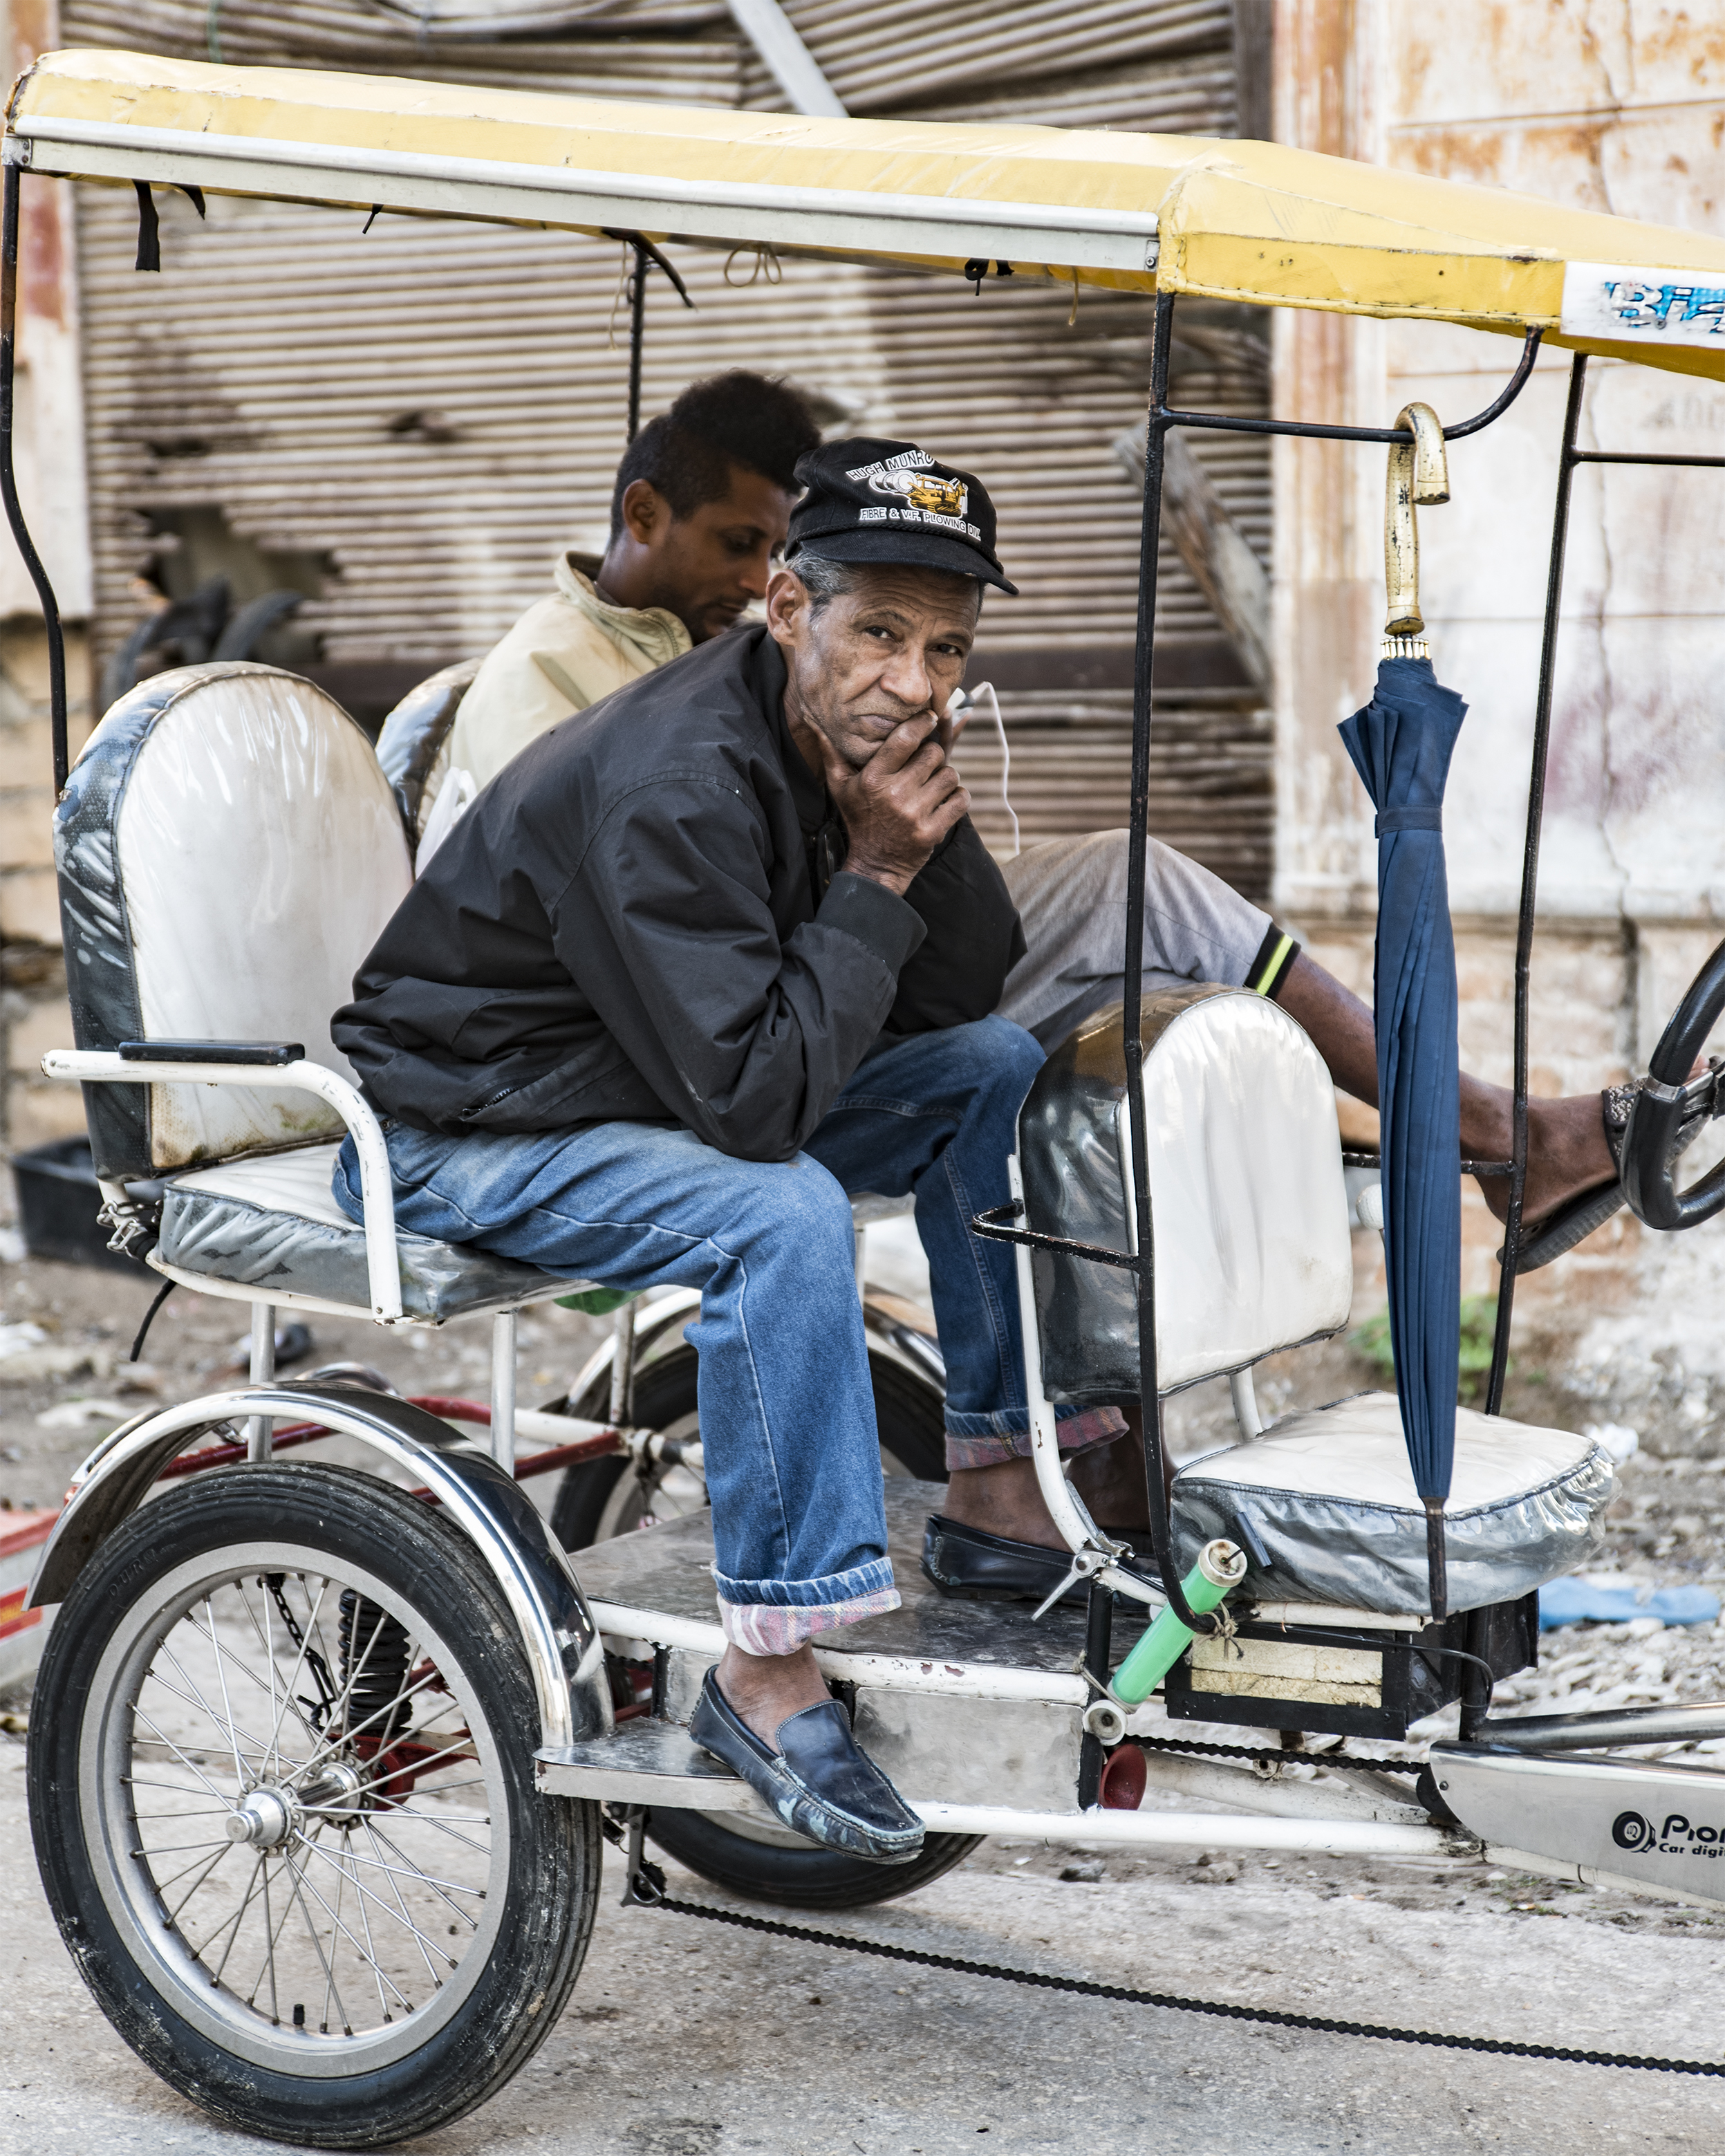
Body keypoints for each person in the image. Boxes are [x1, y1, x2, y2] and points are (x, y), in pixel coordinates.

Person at [334, 440, 1143, 1861]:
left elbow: (955, 997)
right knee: (777, 1212)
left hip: (641, 1085)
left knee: (995, 1070)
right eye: (877, 633)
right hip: (460, 1124)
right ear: (784, 608)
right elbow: (756, 1115)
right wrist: (876, 869)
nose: (913, 679)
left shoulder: (841, 735)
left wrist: (903, 836)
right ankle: (761, 1671)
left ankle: (994, 1478)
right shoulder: (677, 779)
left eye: (945, 648)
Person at [439, 369, 821, 798]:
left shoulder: (762, 655)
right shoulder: (536, 675)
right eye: (736, 543)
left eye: (773, 554)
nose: (758, 583)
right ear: (644, 514)